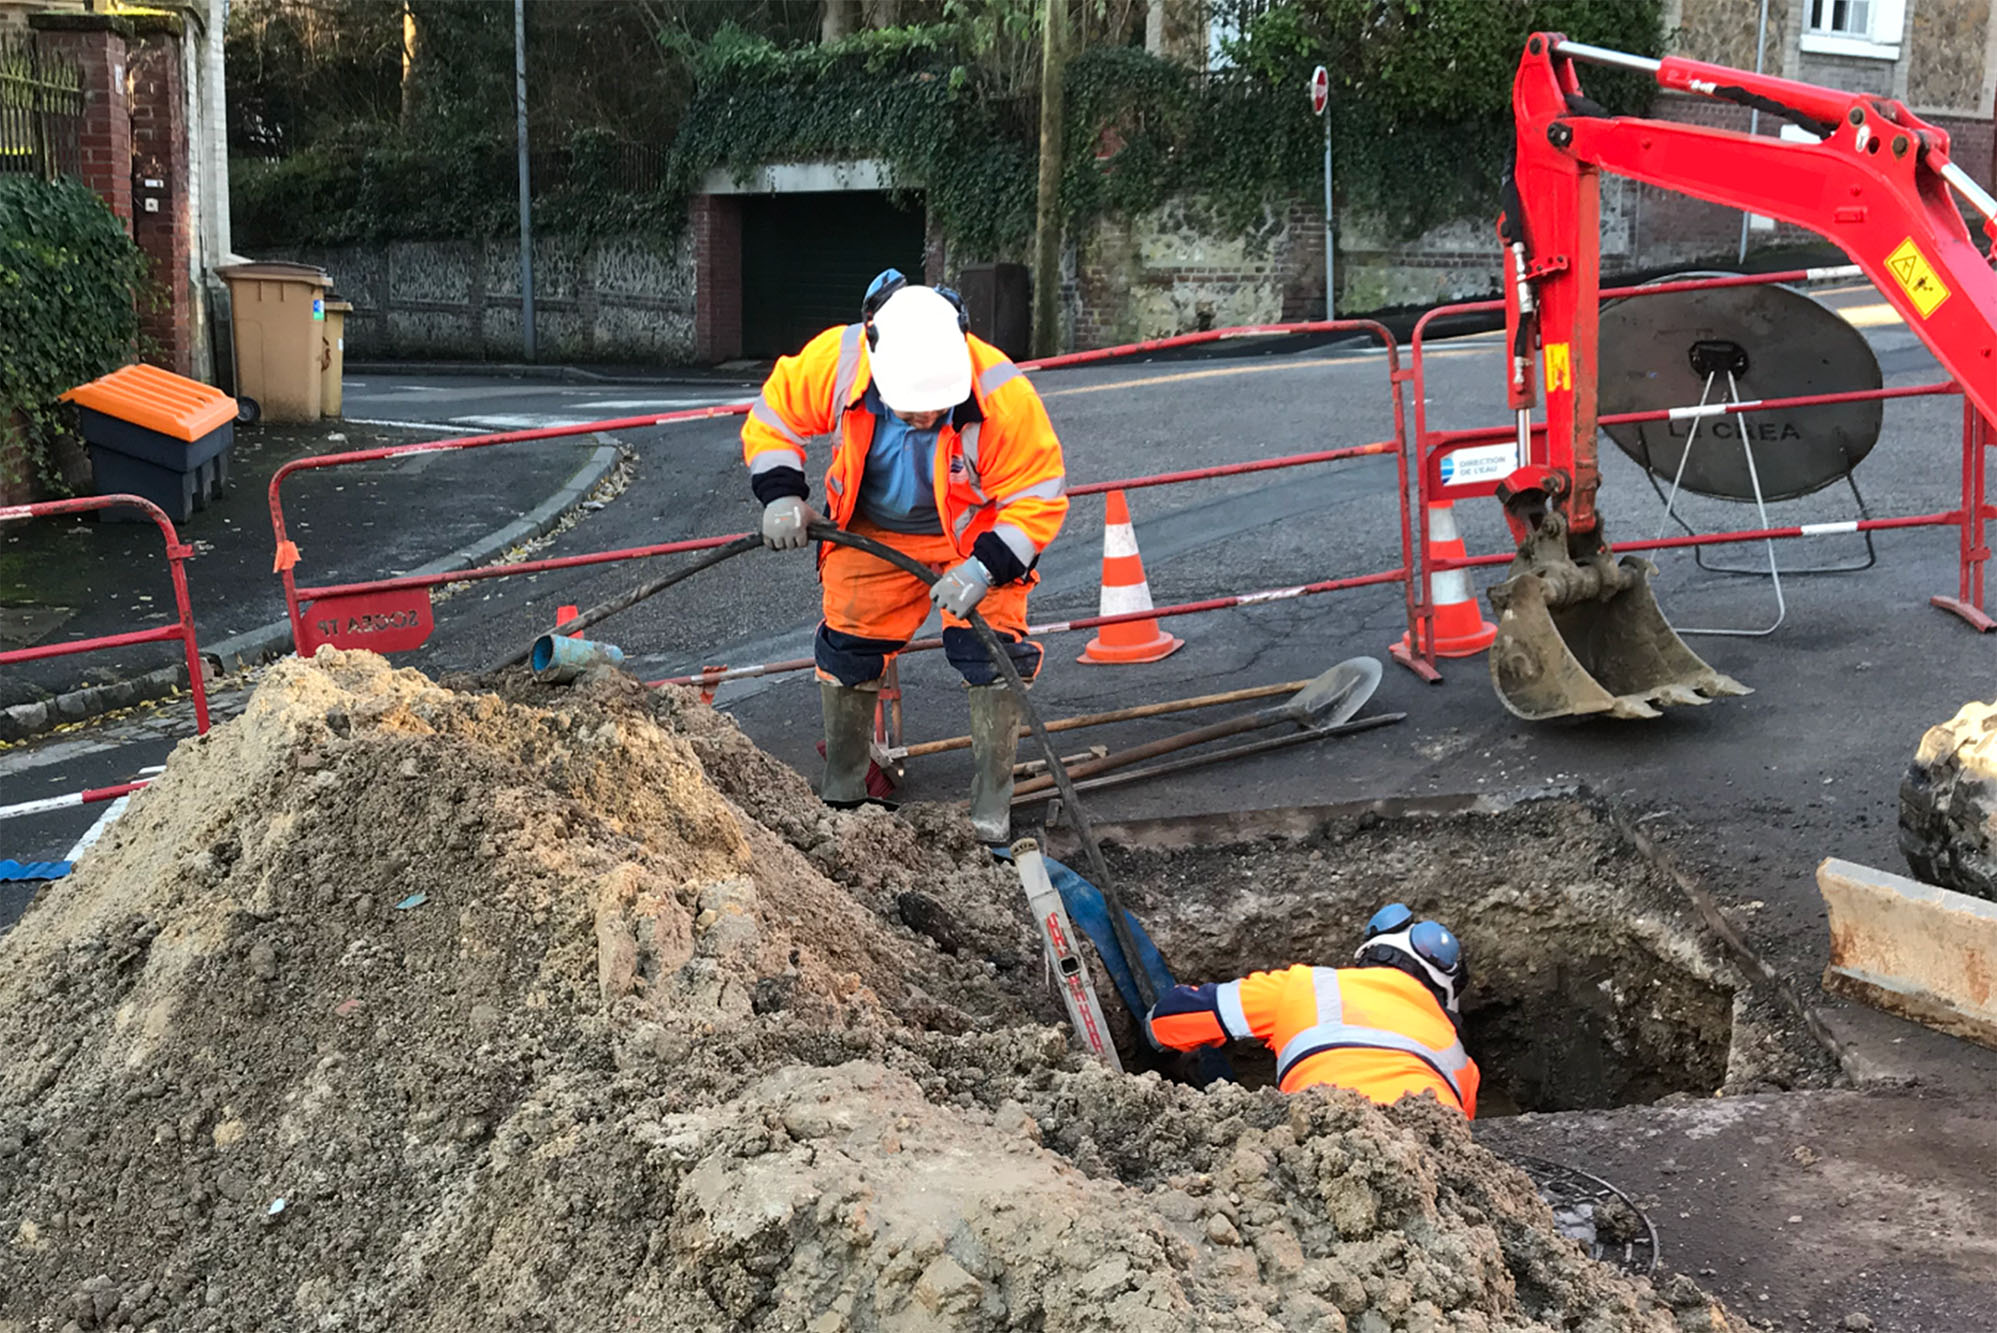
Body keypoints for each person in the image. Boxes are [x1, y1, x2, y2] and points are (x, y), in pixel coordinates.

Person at [743, 270, 1069, 842]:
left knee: (991, 656)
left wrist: (984, 568)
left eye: (934, 409)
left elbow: (1037, 495)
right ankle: (842, 795)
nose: (923, 420)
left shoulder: (1000, 392)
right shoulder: (843, 359)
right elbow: (776, 417)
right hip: (872, 533)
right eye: (911, 408)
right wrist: (782, 495)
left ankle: (989, 814)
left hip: (973, 541)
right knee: (847, 649)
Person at [1144, 904, 1480, 1117]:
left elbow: (1168, 1019)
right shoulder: (1460, 1061)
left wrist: (1160, 1041)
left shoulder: (1306, 986)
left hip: (1319, 1148)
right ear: (1444, 991)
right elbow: (1456, 1145)